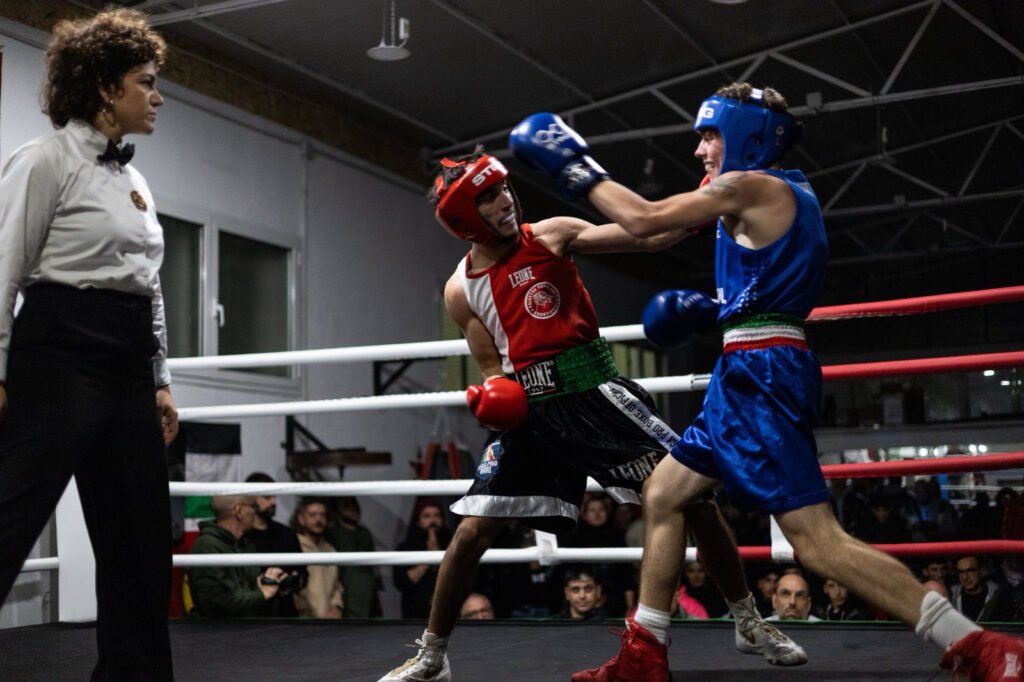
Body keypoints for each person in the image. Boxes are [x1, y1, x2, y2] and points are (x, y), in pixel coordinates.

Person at [508, 82, 1024, 680]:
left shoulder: (752, 185)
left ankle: (978, 643)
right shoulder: (751, 192)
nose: (701, 150)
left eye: (709, 135)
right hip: (748, 365)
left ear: (748, 135)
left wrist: (572, 164)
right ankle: (644, 654)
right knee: (665, 494)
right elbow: (653, 234)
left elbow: (644, 216)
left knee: (816, 543)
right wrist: (557, 241)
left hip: (764, 370)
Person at [378, 148, 805, 682]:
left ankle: (747, 620)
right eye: (487, 198)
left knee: (695, 499)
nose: (505, 201)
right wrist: (493, 397)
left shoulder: (550, 235)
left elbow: (645, 237)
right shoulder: (460, 290)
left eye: (503, 189)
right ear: (465, 218)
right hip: (533, 415)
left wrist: (709, 204)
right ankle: (431, 656)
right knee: (470, 532)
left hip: (596, 396)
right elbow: (493, 367)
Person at [0, 9, 177, 680]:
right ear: (105, 87)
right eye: (145, 82)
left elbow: (147, 284)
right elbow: (2, 268)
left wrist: (160, 378)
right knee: (11, 515)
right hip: (59, 347)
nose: (157, 96)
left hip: (127, 360)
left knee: (140, 539)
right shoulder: (45, 159)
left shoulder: (133, 181)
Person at [188, 495, 287, 618]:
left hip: (246, 628)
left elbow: (249, 589)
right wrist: (262, 593)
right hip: (216, 632)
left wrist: (267, 582)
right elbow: (218, 603)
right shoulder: (206, 547)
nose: (255, 512)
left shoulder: (244, 542)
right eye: (253, 507)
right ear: (239, 511)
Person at [245, 472, 308, 617]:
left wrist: (293, 581)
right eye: (267, 497)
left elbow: (303, 571)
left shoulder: (286, 534)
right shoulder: (241, 536)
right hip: (253, 613)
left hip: (285, 611)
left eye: (275, 496)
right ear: (250, 498)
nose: (273, 502)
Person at [393, 498, 453, 619]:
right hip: (415, 615)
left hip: (448, 614)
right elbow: (402, 582)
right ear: (418, 522)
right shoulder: (406, 547)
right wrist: (430, 557)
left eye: (437, 515)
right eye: (426, 516)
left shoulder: (453, 544)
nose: (433, 520)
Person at [326, 496, 382, 618]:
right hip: (346, 595)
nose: (353, 509)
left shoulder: (364, 533)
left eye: (354, 504)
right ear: (336, 510)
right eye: (346, 505)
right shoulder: (332, 534)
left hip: (368, 595)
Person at [292, 498, 343, 619]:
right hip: (301, 620)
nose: (318, 519)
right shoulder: (294, 546)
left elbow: (336, 586)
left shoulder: (330, 550)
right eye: (312, 515)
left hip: (328, 621)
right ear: (301, 519)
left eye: (322, 515)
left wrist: (337, 607)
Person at [952, 556, 1012, 623]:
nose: (965, 577)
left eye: (971, 571)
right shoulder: (951, 596)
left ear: (982, 571)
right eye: (961, 572)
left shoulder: (998, 597)